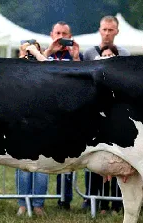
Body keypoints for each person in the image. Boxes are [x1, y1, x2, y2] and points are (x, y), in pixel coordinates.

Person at [82, 15, 130, 210]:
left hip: (117, 113)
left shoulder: (125, 55)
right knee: (92, 156)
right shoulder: (88, 54)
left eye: (111, 30)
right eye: (104, 29)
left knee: (118, 157)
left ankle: (117, 201)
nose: (107, 33)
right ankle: (92, 199)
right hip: (94, 113)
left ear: (116, 31)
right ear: (99, 30)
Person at [43, 21, 83, 210]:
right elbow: (33, 70)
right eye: (57, 33)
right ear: (51, 34)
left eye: (64, 33)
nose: (60, 37)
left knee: (67, 156)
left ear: (70, 35)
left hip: (69, 112)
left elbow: (83, 78)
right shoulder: (44, 53)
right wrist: (49, 52)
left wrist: (75, 58)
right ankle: (37, 200)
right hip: (46, 110)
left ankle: (64, 198)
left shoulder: (76, 55)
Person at [16, 40, 49, 216]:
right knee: (22, 166)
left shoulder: (44, 69)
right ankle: (23, 203)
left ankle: (38, 204)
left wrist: (36, 54)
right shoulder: (14, 72)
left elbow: (49, 67)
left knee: (42, 165)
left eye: (31, 52)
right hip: (21, 125)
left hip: (42, 125)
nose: (27, 55)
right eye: (24, 52)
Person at [94, 45, 123, 214]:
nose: (107, 57)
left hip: (117, 128)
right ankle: (103, 205)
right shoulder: (97, 79)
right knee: (102, 169)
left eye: (110, 55)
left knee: (118, 168)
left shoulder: (121, 79)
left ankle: (117, 205)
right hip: (101, 128)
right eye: (104, 55)